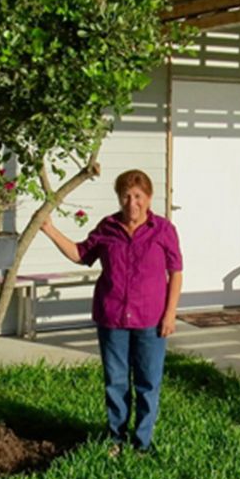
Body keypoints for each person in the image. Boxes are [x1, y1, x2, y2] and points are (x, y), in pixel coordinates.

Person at [40, 169, 183, 457]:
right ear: (119, 198)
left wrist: (170, 314)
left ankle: (142, 443)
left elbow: (175, 271)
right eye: (126, 196)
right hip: (112, 317)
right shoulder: (107, 227)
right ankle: (116, 438)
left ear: (149, 197)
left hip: (151, 319)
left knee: (148, 383)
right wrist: (49, 230)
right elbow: (81, 254)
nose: (133, 203)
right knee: (116, 381)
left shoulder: (163, 230)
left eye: (138, 196)